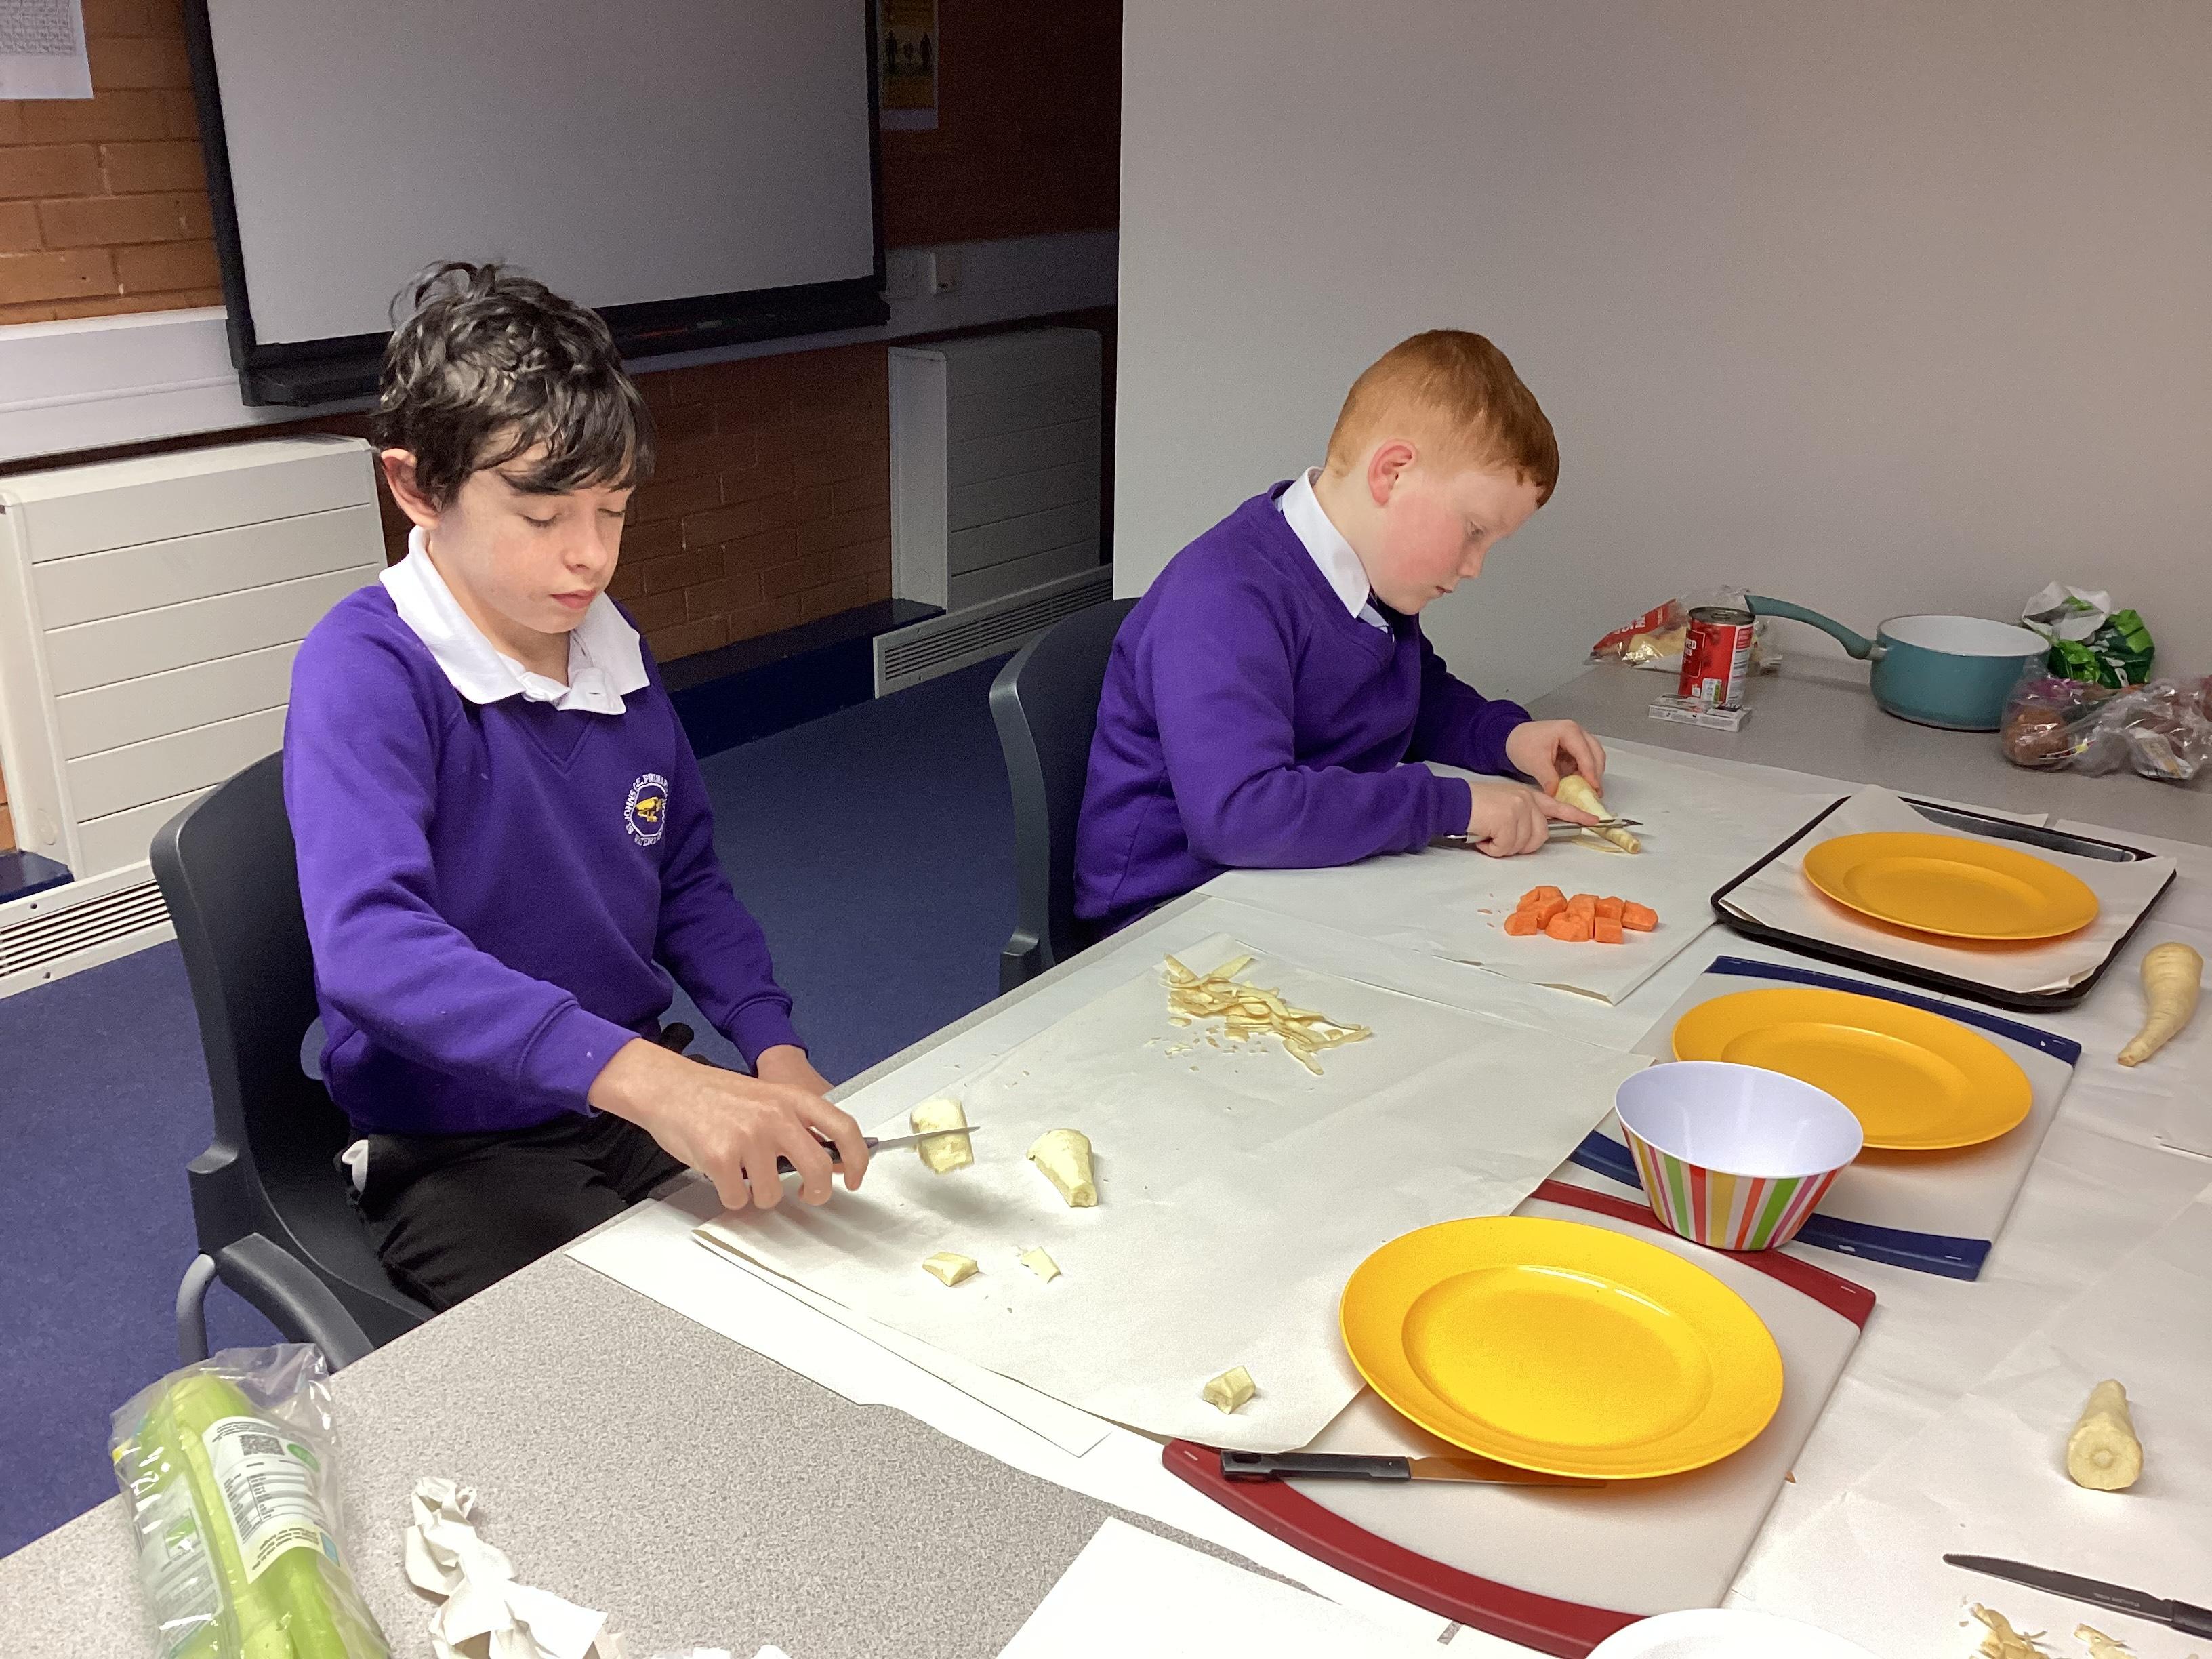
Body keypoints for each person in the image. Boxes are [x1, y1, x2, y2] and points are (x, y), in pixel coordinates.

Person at [283, 262, 869, 1312]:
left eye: (614, 510)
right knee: (647, 1353)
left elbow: (684, 876)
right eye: (543, 516)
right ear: (417, 488)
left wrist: (772, 1047)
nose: (590, 558)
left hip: (620, 1090)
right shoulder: (366, 668)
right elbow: (371, 947)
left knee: (829, 1279)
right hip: (458, 1138)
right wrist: (654, 1081)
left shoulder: (605, 640)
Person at [1076, 329, 1608, 933]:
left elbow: (1410, 700)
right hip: (1174, 918)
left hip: (1298, 885)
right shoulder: (1223, 599)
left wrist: (1506, 737)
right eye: (1473, 531)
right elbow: (1239, 815)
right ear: (1393, 473)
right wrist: (1453, 805)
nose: (1474, 567)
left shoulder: (1369, 583)